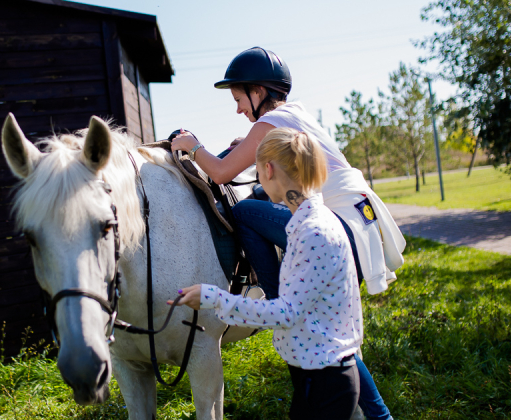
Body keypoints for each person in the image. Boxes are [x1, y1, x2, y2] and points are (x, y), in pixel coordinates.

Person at [170, 47, 400, 420]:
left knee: (245, 210)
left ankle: (277, 297)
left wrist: (192, 146)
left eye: (239, 98)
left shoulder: (272, 121)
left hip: (337, 220)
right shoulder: (295, 116)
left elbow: (224, 173)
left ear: (258, 91)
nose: (239, 109)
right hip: (359, 219)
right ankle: (378, 415)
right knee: (336, 338)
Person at [169, 128, 362, 419]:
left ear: (268, 170)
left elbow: (287, 313)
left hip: (325, 380)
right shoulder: (308, 222)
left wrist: (214, 298)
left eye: (257, 170)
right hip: (318, 373)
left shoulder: (313, 232)